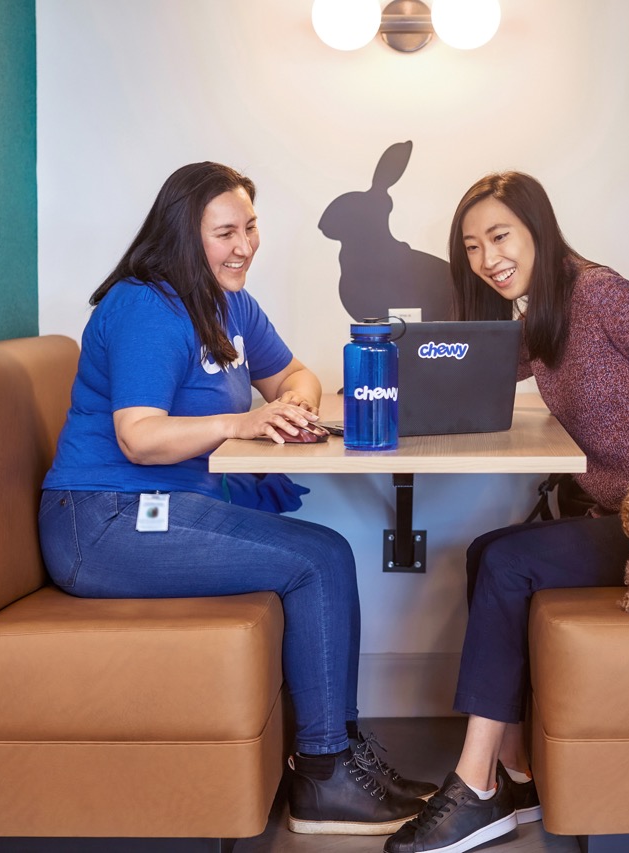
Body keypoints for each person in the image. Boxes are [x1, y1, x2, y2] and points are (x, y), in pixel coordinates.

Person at [38, 161, 434, 837]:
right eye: (225, 231)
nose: (244, 244)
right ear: (182, 237)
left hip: (162, 510)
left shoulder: (232, 305)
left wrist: (290, 404)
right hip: (103, 521)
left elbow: (298, 374)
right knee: (321, 558)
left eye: (250, 226)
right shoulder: (145, 305)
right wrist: (241, 420)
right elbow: (138, 436)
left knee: (323, 553)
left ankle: (338, 751)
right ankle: (324, 775)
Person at [384, 172, 629, 853]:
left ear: (536, 230)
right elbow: (474, 369)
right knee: (489, 550)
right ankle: (513, 772)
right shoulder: (541, 316)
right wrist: (374, 375)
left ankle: (473, 784)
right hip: (618, 515)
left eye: (500, 236)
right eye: (473, 246)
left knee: (511, 561)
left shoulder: (600, 294)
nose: (488, 259)